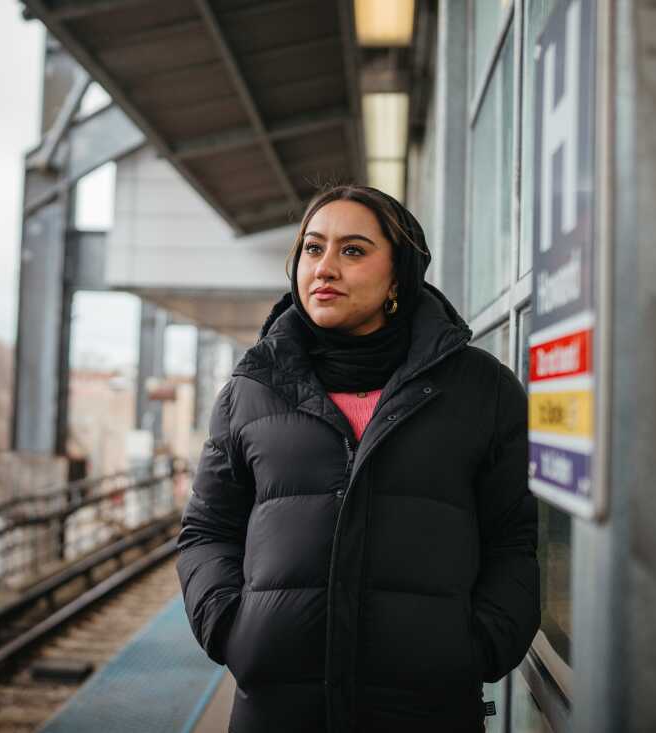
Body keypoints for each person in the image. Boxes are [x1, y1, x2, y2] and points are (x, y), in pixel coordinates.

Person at [176, 184, 539, 732]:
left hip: (424, 711)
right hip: (278, 710)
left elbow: (513, 540)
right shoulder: (250, 390)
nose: (324, 267)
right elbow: (207, 530)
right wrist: (233, 628)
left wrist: (474, 649)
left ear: (399, 275)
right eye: (312, 248)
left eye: (352, 250)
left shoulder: (483, 391)